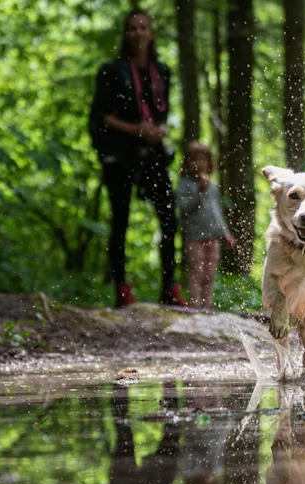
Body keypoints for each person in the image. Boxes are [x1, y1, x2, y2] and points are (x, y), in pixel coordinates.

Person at [89, 8, 186, 308]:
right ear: (126, 33)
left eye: (144, 27)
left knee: (169, 220)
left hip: (153, 154)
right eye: (132, 28)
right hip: (120, 155)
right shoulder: (111, 70)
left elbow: (161, 110)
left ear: (152, 33)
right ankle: (121, 289)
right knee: (121, 221)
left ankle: (170, 287)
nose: (138, 33)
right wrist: (136, 129)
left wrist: (156, 131)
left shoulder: (162, 71)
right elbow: (99, 117)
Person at [175, 141, 235, 311]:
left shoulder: (213, 187)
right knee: (197, 272)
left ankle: (207, 307)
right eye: (194, 160)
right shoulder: (184, 185)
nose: (199, 164)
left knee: (209, 274)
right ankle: (194, 306)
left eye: (203, 160)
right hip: (194, 237)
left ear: (209, 163)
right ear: (187, 163)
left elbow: (217, 212)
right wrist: (198, 194)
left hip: (212, 236)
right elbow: (183, 208)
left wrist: (225, 233)